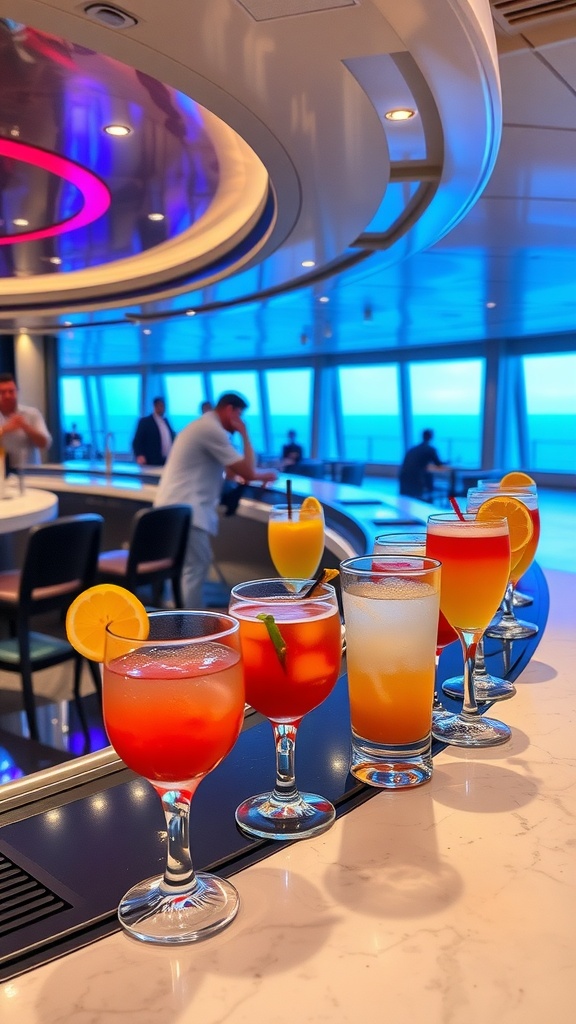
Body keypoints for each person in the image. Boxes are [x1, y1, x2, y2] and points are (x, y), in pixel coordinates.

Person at [154, 392, 278, 609]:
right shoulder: (210, 429)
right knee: (196, 566)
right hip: (184, 509)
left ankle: (181, 617)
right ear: (230, 410)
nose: (241, 420)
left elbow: (232, 472)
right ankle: (191, 628)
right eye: (239, 414)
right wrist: (245, 434)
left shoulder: (204, 427)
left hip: (174, 508)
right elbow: (248, 471)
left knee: (189, 566)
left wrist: (256, 472)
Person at [0, 372, 52, 468]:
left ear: (17, 392)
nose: (7, 396)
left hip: (30, 474)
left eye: (11, 391)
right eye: (2, 392)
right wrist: (6, 428)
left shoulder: (32, 414)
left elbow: (44, 444)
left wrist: (25, 426)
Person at [398, 429, 449, 501]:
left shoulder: (413, 449)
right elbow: (438, 464)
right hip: (415, 478)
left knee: (407, 500)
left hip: (404, 477)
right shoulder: (430, 449)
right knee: (422, 494)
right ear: (431, 437)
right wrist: (447, 463)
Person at [132, 397, 175, 467]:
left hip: (167, 460)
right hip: (152, 460)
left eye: (162, 406)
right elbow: (137, 441)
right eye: (159, 406)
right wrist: (139, 455)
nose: (161, 408)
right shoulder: (145, 422)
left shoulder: (166, 421)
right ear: (155, 406)